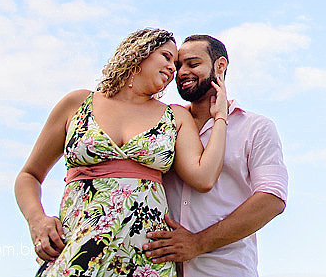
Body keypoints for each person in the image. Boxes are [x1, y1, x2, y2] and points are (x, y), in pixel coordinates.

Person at [15, 28, 231, 276]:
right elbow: (28, 175)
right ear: (140, 53)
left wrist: (221, 117)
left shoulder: (175, 116)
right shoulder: (77, 103)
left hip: (145, 259)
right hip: (77, 248)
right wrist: (37, 220)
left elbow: (204, 178)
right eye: (167, 57)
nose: (175, 69)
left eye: (178, 63)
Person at [143, 34, 288, 276]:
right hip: (156, 268)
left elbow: (272, 198)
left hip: (225, 270)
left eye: (192, 64)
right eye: (178, 66)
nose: (181, 73)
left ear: (220, 66)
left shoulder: (256, 127)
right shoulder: (161, 125)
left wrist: (197, 243)